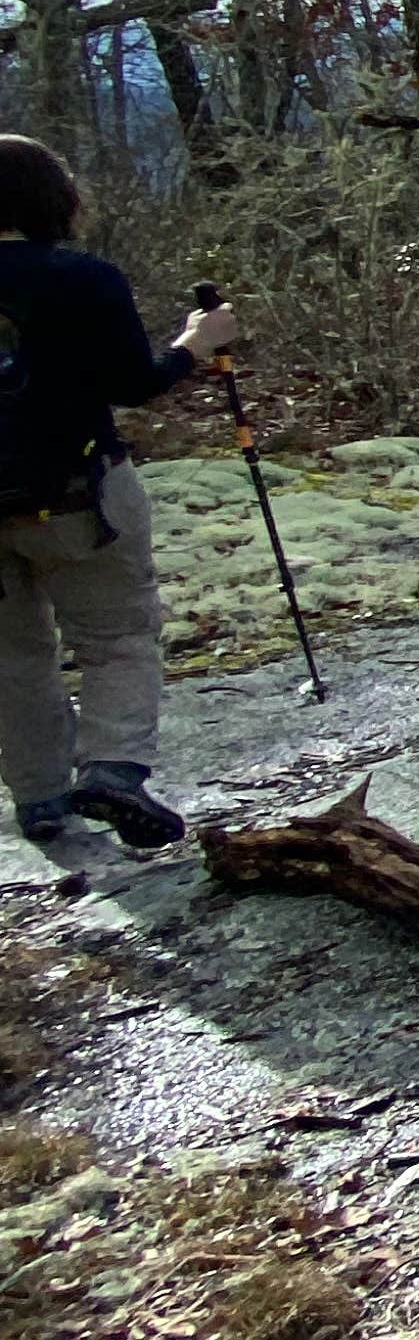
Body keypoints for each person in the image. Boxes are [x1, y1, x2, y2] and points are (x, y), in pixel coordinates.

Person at [0, 138, 236, 851]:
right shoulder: (83, 278)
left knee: (13, 657)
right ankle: (111, 769)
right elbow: (133, 383)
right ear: (55, 201)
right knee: (117, 638)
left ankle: (40, 800)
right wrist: (197, 343)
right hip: (80, 495)